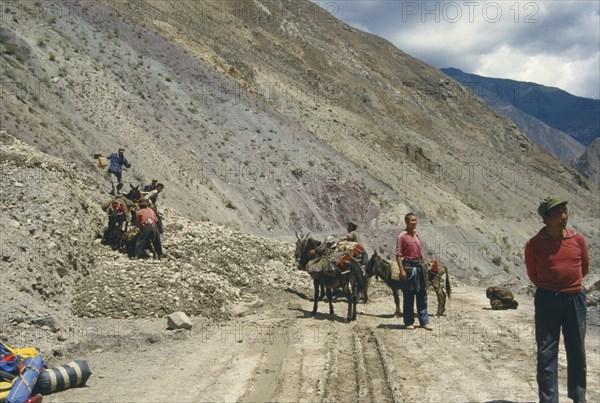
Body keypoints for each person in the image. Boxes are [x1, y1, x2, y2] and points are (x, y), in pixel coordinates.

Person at [525, 196, 589, 403]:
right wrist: (552, 287)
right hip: (547, 300)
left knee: (577, 351)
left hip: (575, 299)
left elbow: (584, 268)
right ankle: (549, 400)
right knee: (546, 353)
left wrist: (569, 286)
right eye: (557, 213)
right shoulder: (534, 244)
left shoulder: (578, 239)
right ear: (545, 218)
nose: (563, 216)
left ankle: (579, 397)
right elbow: (533, 275)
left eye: (565, 211)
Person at [396, 212, 433, 331]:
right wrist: (402, 270)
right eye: (412, 220)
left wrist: (424, 262)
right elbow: (398, 255)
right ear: (407, 222)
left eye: (416, 220)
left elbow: (419, 253)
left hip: (419, 266)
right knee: (409, 295)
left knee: (422, 295)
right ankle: (408, 322)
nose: (415, 222)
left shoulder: (417, 235)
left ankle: (424, 322)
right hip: (408, 267)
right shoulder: (402, 236)